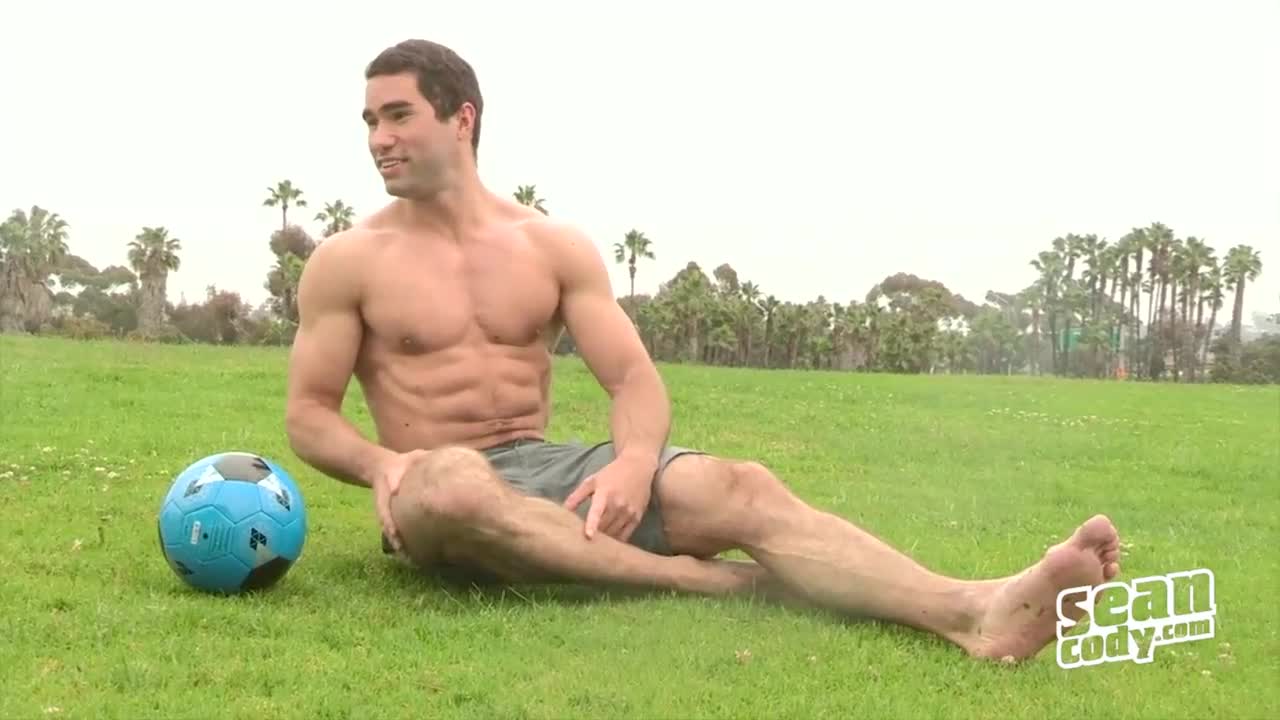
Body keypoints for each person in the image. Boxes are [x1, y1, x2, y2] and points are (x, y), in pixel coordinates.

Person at [284, 38, 1123, 663]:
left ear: (461, 117)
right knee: (451, 482)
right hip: (439, 487)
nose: (378, 137)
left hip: (549, 467)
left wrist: (631, 463)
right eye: (370, 121)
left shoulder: (550, 246)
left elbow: (632, 379)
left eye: (398, 115)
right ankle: (703, 580)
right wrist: (383, 466)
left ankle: (972, 610)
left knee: (739, 485)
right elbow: (309, 414)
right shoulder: (350, 260)